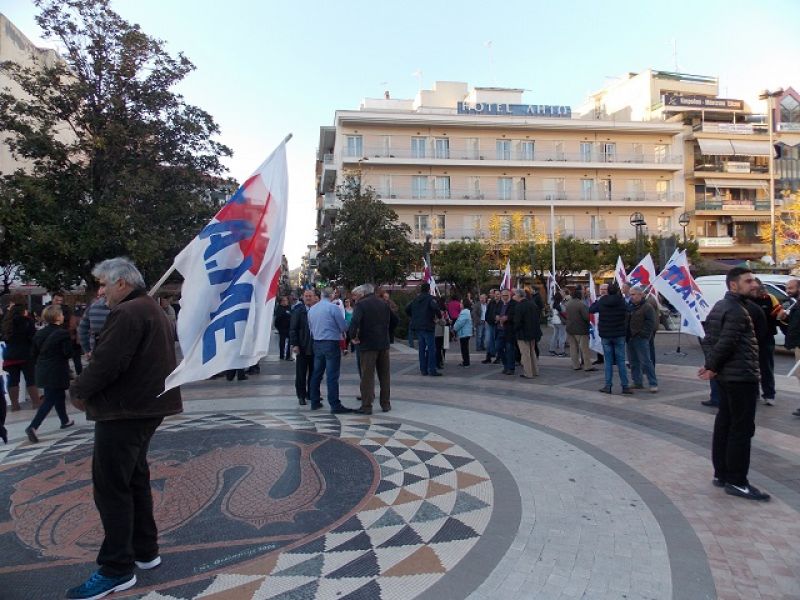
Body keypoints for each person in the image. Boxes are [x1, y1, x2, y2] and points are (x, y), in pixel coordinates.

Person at [66, 257, 183, 599]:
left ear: (122, 283)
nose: (100, 291)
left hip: (125, 411)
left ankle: (117, 568)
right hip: (144, 407)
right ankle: (145, 550)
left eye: (103, 284)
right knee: (133, 480)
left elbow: (107, 362)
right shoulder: (149, 309)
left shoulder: (129, 313)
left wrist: (78, 390)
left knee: (111, 487)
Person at [698, 267, 769, 501]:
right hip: (740, 377)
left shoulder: (721, 306)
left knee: (725, 423)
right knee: (741, 429)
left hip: (728, 377)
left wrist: (712, 365)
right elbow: (725, 342)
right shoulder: (737, 310)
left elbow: (708, 338)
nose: (754, 284)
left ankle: (722, 474)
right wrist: (712, 366)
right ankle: (737, 481)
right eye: (748, 281)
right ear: (733, 285)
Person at [25, 305, 75, 443]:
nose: (63, 316)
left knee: (57, 394)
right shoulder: (63, 333)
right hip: (57, 369)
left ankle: (64, 420)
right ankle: (33, 426)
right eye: (61, 314)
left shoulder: (39, 333)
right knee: (50, 399)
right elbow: (67, 353)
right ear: (58, 317)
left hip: (42, 369)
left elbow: (33, 354)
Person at [348, 283, 396, 414]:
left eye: (356, 295)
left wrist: (352, 337)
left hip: (368, 345)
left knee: (367, 376)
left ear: (362, 294)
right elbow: (395, 320)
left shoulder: (361, 305)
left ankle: (367, 406)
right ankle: (385, 404)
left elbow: (355, 322)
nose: (354, 298)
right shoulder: (383, 303)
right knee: (384, 375)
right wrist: (387, 333)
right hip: (383, 344)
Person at [307, 287, 354, 413]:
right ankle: (334, 404)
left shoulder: (312, 309)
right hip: (331, 342)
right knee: (332, 375)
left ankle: (314, 401)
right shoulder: (333, 308)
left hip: (317, 342)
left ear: (321, 295)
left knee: (317, 373)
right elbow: (343, 326)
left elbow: (310, 327)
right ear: (332, 295)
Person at [590, 282, 631, 394]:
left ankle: (608, 386)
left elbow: (591, 309)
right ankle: (625, 386)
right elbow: (630, 309)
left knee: (608, 362)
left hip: (606, 335)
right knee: (621, 361)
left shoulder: (602, 301)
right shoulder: (621, 301)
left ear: (607, 291)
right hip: (619, 334)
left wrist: (598, 300)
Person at [2, 303, 41, 411]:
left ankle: (15, 406)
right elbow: (33, 337)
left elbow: (5, 338)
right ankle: (36, 403)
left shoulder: (6, 323)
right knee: (30, 379)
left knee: (13, 381)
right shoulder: (27, 321)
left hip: (10, 355)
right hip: (25, 354)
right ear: (23, 311)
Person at [752, 280, 780, 406]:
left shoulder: (770, 298)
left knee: (766, 367)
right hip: (750, 338)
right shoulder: (746, 299)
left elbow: (779, 315)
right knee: (751, 367)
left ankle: (769, 394)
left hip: (767, 338)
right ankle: (754, 393)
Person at [405, 283, 441, 376]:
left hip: (418, 326)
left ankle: (423, 369)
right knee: (431, 348)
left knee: (421, 348)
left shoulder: (416, 299)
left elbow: (407, 309)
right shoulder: (430, 299)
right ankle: (432, 369)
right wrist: (439, 317)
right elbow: (435, 308)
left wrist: (414, 317)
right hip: (428, 326)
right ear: (429, 289)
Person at [627, 285, 658, 393]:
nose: (631, 297)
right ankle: (637, 382)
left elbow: (650, 323)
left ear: (640, 294)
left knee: (646, 361)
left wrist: (644, 334)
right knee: (633, 362)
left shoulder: (647, 307)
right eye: (630, 294)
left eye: (633, 294)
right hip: (630, 338)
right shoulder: (630, 306)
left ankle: (653, 383)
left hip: (641, 338)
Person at [290, 289, 318, 406]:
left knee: (314, 372)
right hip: (302, 346)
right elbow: (293, 329)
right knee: (301, 373)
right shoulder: (298, 311)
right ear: (302, 297)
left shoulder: (317, 310)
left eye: (310, 296)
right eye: (306, 296)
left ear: (314, 297)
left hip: (315, 347)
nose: (308, 298)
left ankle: (311, 394)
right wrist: (295, 344)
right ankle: (301, 395)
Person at [565, 285, 595, 373]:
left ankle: (575, 365)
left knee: (573, 348)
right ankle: (587, 366)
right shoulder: (581, 304)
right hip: (581, 329)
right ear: (579, 295)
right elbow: (586, 317)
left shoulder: (568, 303)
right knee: (584, 349)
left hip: (570, 328)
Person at [514, 288, 542, 378]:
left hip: (523, 333)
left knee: (525, 354)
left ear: (518, 295)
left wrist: (515, 329)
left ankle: (528, 373)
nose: (514, 296)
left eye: (515, 294)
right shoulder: (532, 304)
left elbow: (517, 321)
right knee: (532, 352)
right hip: (533, 332)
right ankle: (535, 371)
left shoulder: (519, 306)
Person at [782, 279, 800, 417]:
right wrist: (783, 319)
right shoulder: (796, 304)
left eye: (791, 288)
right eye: (787, 288)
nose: (788, 290)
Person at [79, 285, 111, 360]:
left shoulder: (93, 307)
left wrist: (87, 350)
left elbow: (82, 329)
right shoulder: (127, 306)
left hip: (97, 353)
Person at [495, 289, 517, 375]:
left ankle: (510, 368)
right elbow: (496, 312)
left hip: (509, 330)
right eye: (503, 295)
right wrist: (496, 316)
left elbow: (515, 315)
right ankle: (505, 365)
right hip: (500, 330)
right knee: (498, 347)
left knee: (509, 349)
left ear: (510, 295)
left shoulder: (514, 304)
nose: (504, 297)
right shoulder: (499, 304)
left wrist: (507, 318)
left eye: (506, 295)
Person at [452, 298, 473, 366]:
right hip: (465, 332)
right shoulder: (466, 311)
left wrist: (454, 328)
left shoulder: (465, 312)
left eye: (461, 303)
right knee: (465, 348)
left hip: (464, 333)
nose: (460, 304)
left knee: (464, 349)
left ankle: (466, 362)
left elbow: (460, 322)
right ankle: (466, 361)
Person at [549, 290, 567, 357]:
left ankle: (551, 350)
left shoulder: (552, 303)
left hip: (554, 320)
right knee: (562, 336)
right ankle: (561, 352)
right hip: (561, 321)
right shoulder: (560, 304)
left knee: (555, 335)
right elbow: (564, 311)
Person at [273, 296, 292, 361]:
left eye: (286, 300)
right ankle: (282, 355)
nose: (284, 302)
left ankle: (288, 356)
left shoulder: (289, 307)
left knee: (289, 342)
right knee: (282, 342)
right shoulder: (279, 309)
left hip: (289, 328)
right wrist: (279, 328)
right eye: (283, 301)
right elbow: (277, 320)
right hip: (282, 328)